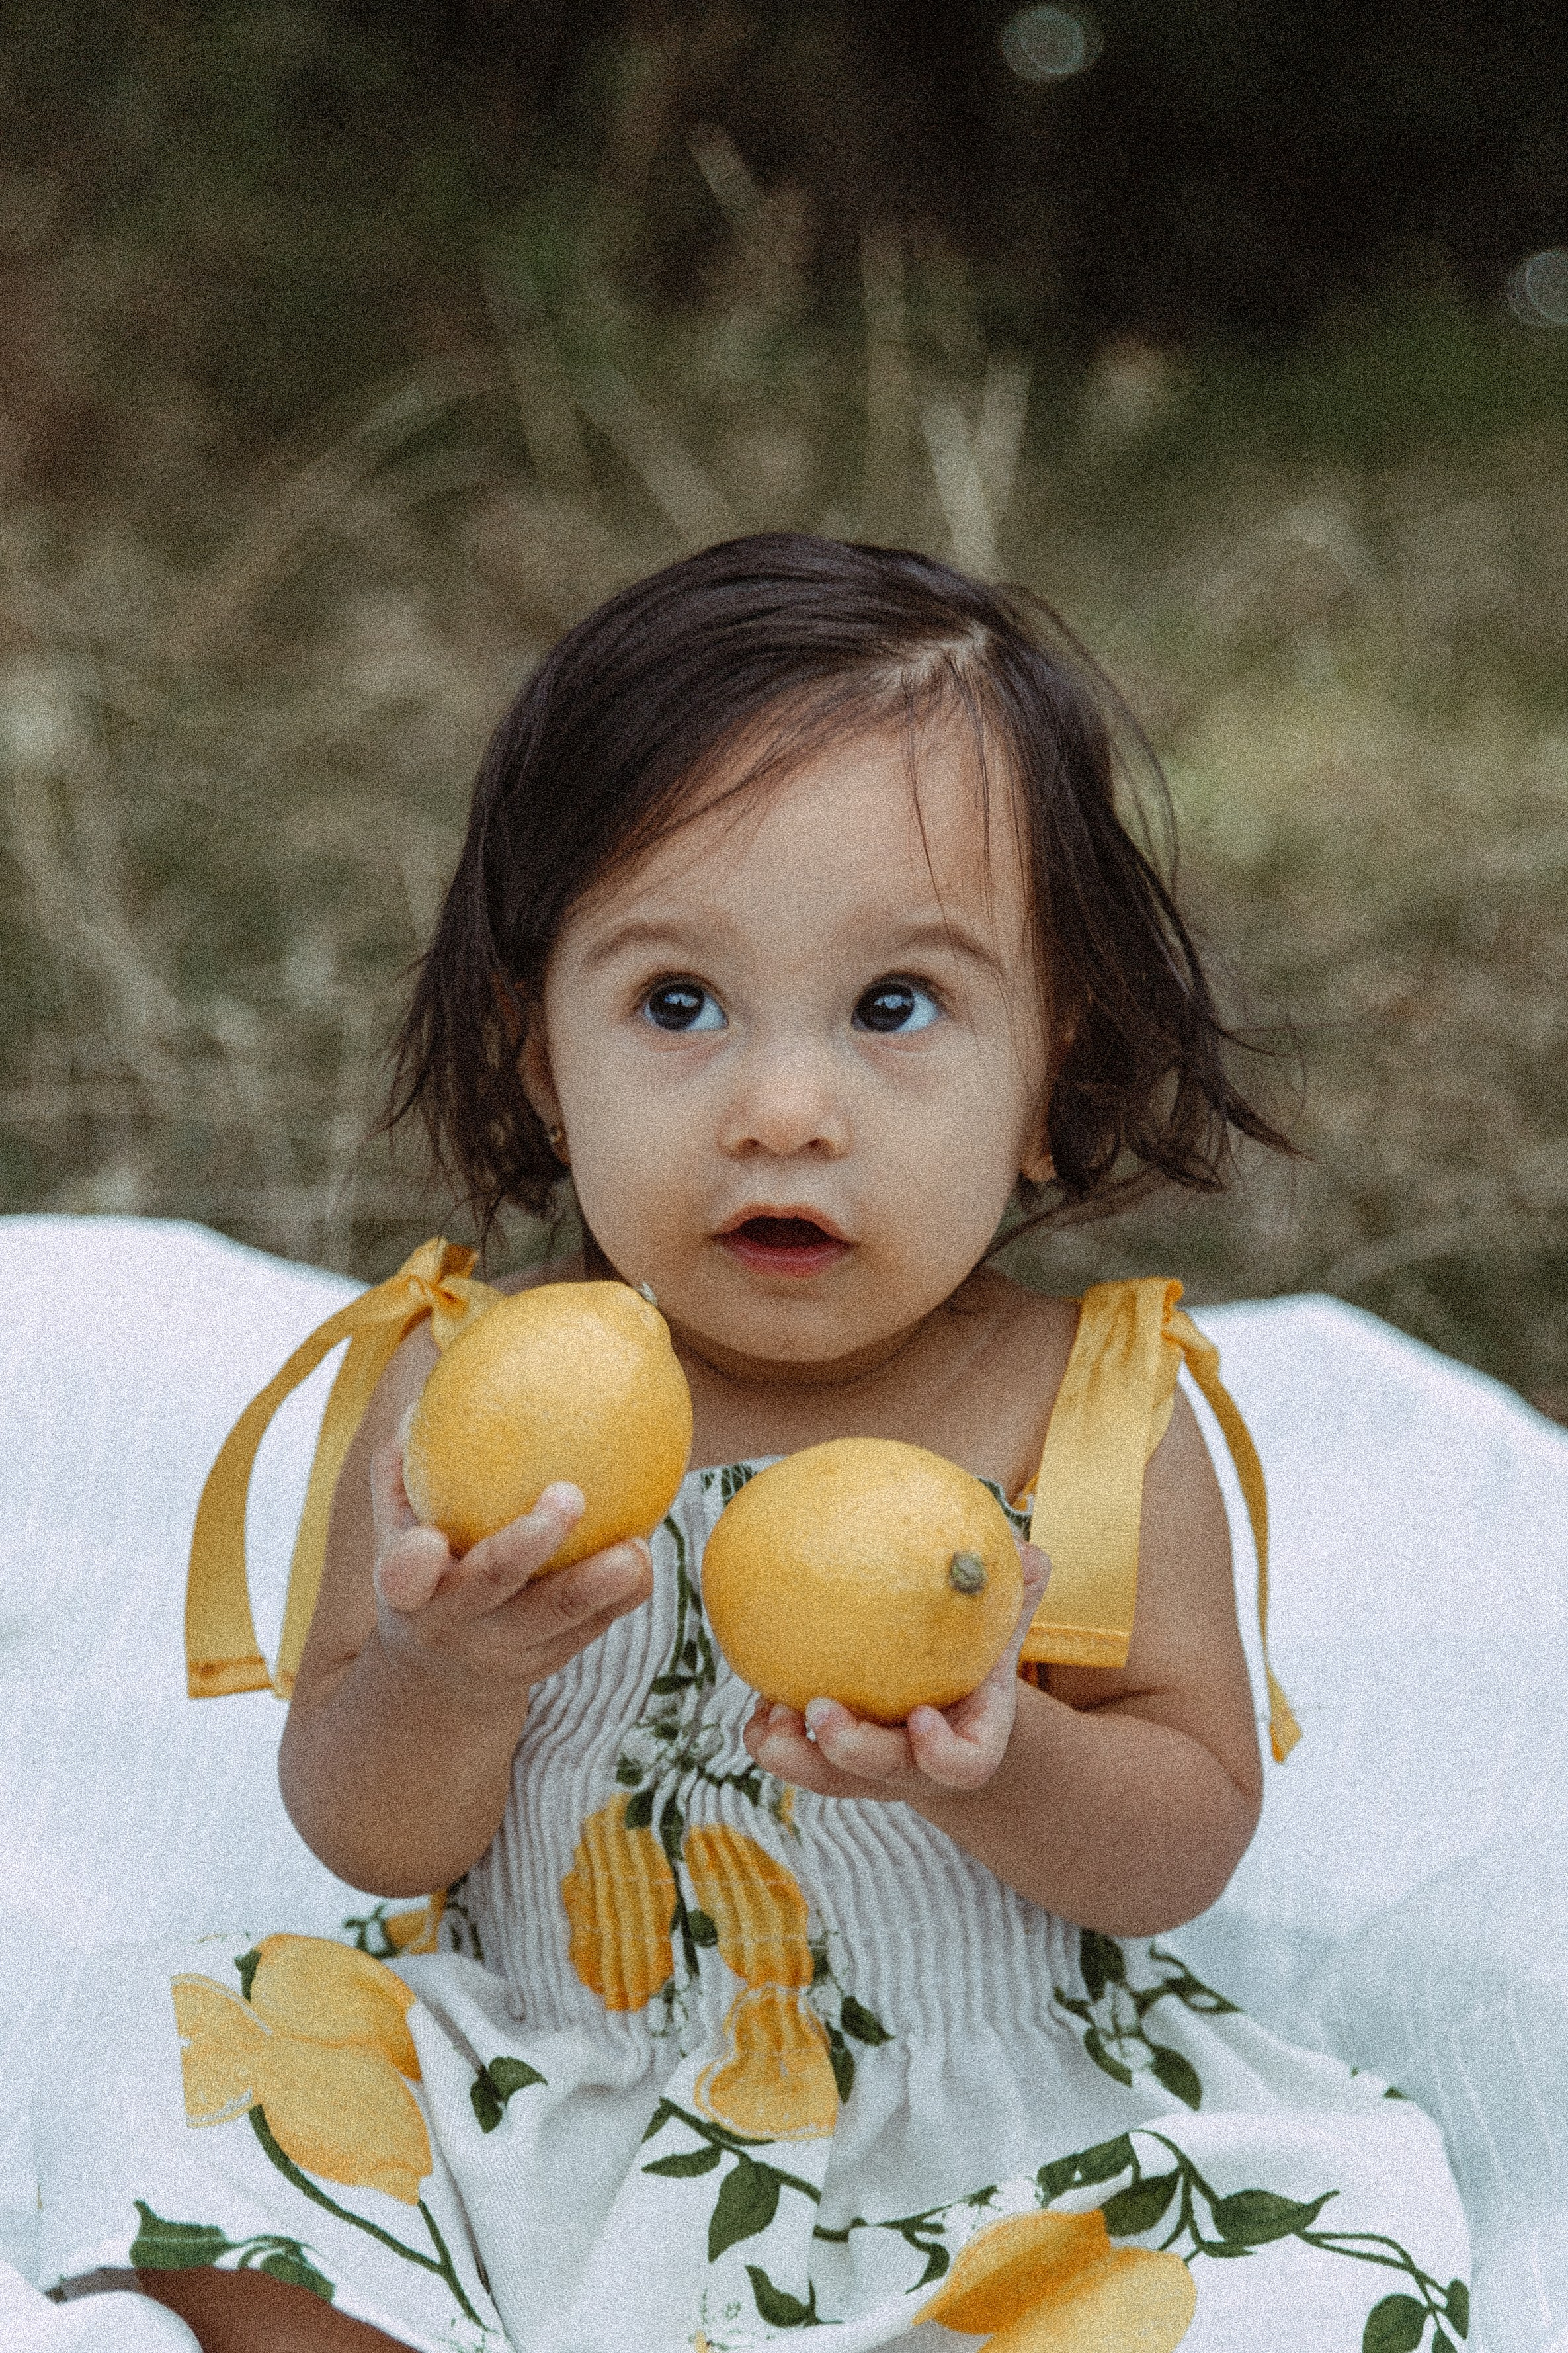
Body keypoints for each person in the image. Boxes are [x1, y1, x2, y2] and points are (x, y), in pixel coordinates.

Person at [34, 536, 1467, 2352]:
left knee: (1282, 2278)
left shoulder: (1088, 1410)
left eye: (893, 1010)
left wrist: (1006, 1756)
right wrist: (441, 1666)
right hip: (544, 2086)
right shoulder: (461, 1391)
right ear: (540, 1058)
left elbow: (1182, 1838)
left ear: (1051, 1073)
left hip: (986, 2146)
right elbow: (369, 1836)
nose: (780, 1111)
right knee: (171, 2066)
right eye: (676, 1006)